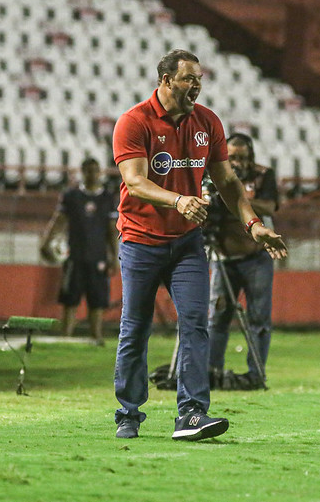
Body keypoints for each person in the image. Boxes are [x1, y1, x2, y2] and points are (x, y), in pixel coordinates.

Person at [111, 49, 288, 441]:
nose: (196, 85)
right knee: (135, 327)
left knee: (196, 322)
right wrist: (179, 200)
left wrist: (253, 224)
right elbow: (135, 181)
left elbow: (227, 183)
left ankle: (190, 413)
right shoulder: (133, 121)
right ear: (165, 79)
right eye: (189, 78)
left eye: (199, 79)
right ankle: (128, 412)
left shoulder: (207, 122)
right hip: (140, 240)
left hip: (186, 244)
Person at [205, 133, 279, 390]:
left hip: (256, 257)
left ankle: (255, 373)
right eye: (232, 157)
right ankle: (211, 372)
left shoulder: (262, 174)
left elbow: (270, 207)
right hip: (223, 257)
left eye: (243, 157)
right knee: (217, 317)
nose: (238, 163)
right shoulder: (213, 175)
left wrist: (233, 196)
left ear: (252, 157)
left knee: (259, 318)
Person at [39, 157, 118, 345]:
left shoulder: (107, 198)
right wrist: (47, 240)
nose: (92, 174)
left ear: (100, 173)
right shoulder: (71, 196)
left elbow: (111, 229)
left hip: (98, 256)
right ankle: (66, 338)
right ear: (83, 172)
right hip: (74, 255)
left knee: (97, 300)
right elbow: (59, 220)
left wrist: (114, 256)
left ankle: (96, 337)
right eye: (88, 170)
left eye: (95, 170)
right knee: (70, 298)